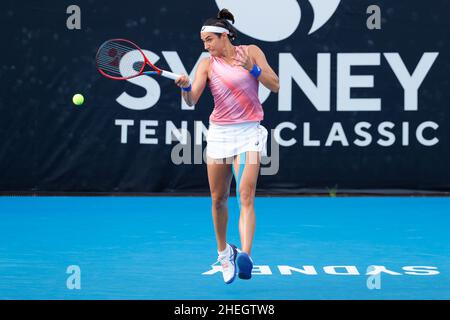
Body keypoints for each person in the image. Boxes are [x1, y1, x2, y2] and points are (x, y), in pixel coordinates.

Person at [175, 8, 279, 284]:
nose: (205, 46)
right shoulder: (206, 64)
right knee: (218, 199)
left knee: (245, 195)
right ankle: (224, 253)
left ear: (225, 36)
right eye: (203, 42)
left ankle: (245, 254)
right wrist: (185, 88)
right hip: (220, 135)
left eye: (209, 40)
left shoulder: (251, 52)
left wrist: (251, 68)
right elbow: (192, 100)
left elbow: (276, 85)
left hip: (249, 133)